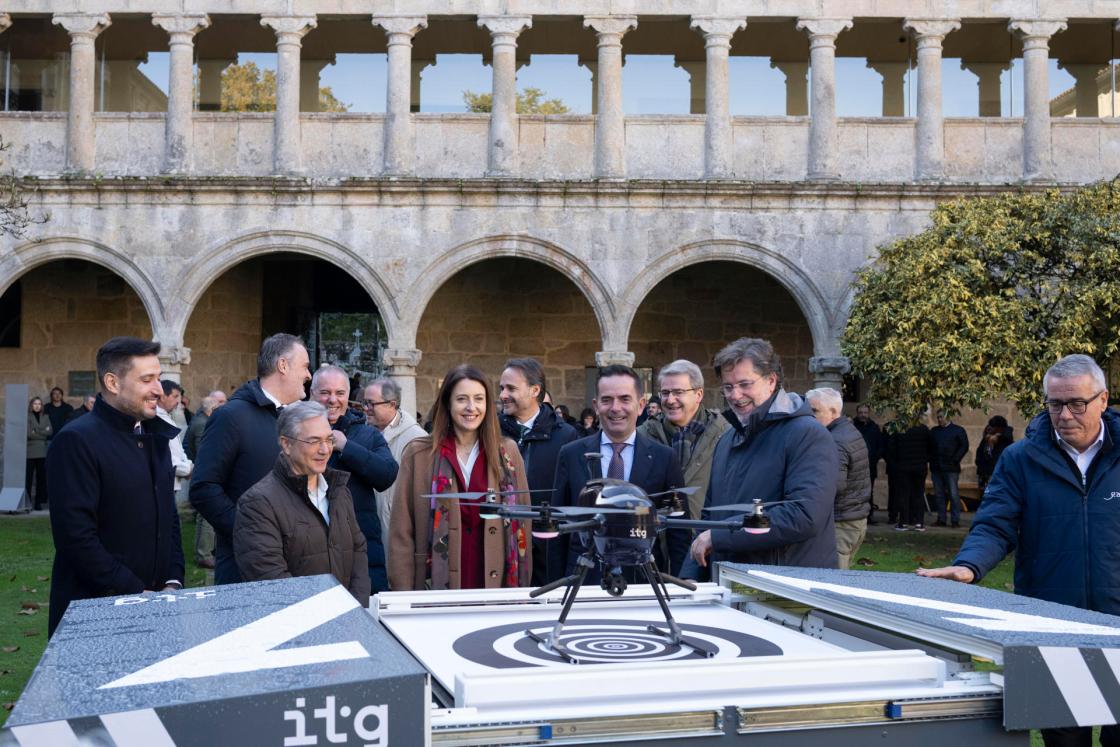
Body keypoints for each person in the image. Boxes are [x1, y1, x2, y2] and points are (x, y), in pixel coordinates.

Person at [918, 354, 1120, 747]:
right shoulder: (1021, 459)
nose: (1064, 415)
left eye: (1077, 403)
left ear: (1103, 400)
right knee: (1063, 737)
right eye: (1054, 403)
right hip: (1050, 623)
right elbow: (995, 524)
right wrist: (969, 566)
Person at [46, 337, 184, 636]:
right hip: (95, 617)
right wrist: (136, 591)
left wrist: (173, 579)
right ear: (112, 382)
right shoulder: (76, 441)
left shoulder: (155, 437)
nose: (159, 389)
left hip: (159, 611)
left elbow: (168, 516)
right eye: (147, 379)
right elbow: (76, 539)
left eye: (158, 378)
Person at [681, 338, 838, 580]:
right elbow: (710, 518)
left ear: (771, 380)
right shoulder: (727, 440)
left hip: (787, 589)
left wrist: (720, 536)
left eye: (745, 384)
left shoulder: (807, 434)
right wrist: (691, 577)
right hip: (732, 583)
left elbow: (803, 515)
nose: (735, 395)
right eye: (728, 387)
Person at [389, 364, 531, 590]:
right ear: (447, 403)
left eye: (479, 399)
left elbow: (524, 525)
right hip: (432, 589)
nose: (471, 407)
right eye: (462, 399)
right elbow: (401, 534)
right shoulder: (419, 455)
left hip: (496, 588)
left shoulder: (507, 453)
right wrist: (403, 596)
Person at [191, 333, 311, 585]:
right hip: (244, 568)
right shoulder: (231, 417)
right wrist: (248, 530)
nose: (308, 375)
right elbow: (204, 488)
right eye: (305, 367)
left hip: (293, 564)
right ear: (283, 366)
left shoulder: (293, 419)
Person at [554, 365, 688, 578]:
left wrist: (682, 584)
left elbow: (679, 532)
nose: (615, 408)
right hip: (583, 581)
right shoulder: (571, 454)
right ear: (596, 406)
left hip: (643, 580)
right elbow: (558, 523)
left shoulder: (665, 458)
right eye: (607, 400)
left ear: (641, 405)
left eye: (625, 399)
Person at [233, 401, 370, 605]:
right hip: (297, 629)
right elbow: (271, 581)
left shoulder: (339, 492)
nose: (325, 450)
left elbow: (358, 551)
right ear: (286, 444)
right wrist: (326, 618)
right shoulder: (258, 503)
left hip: (348, 621)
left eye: (329, 440)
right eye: (314, 441)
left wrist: (355, 608)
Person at [312, 365, 397, 593]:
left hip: (360, 551)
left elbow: (387, 474)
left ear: (348, 396)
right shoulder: (295, 431)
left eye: (339, 393)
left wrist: (347, 447)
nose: (332, 400)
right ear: (312, 394)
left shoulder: (367, 434)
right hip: (312, 550)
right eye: (325, 393)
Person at [498, 357, 579, 585]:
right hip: (502, 547)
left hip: (549, 550)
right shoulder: (491, 432)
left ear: (535, 390)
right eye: (502, 388)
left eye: (511, 388)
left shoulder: (566, 436)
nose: (503, 395)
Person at [639, 359, 730, 520]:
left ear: (698, 394)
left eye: (678, 392)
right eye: (665, 393)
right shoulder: (643, 436)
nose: (670, 399)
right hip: (657, 538)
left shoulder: (725, 435)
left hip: (707, 537)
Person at [363, 377, 427, 566]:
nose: (365, 408)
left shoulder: (417, 439)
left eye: (371, 403)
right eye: (364, 402)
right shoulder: (362, 431)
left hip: (395, 528)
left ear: (392, 404)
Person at [806, 388, 871, 569]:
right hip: (852, 519)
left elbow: (833, 486)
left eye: (815, 411)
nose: (809, 416)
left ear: (834, 412)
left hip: (842, 523)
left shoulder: (836, 439)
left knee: (833, 582)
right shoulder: (848, 430)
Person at [182, 392, 225, 568]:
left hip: (203, 473)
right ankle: (204, 554)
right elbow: (204, 452)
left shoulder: (202, 421)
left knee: (204, 516)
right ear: (212, 409)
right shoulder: (202, 423)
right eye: (220, 405)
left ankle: (206, 552)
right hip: (206, 474)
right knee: (207, 515)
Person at [929, 410, 969, 528]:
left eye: (941, 417)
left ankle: (955, 520)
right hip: (936, 467)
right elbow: (930, 447)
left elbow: (964, 446)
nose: (939, 419)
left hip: (951, 468)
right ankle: (941, 519)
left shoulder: (958, 430)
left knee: (953, 494)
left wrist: (955, 459)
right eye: (938, 417)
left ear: (948, 416)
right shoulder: (934, 431)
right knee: (939, 494)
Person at [892, 418, 932, 531]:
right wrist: (925, 459)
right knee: (918, 495)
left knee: (904, 495)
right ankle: (919, 522)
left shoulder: (900, 428)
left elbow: (893, 447)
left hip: (904, 466)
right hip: (920, 467)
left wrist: (897, 462)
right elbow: (931, 446)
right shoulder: (924, 429)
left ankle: (903, 522)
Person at [853, 404, 885, 524]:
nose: (863, 415)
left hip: (870, 466)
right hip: (855, 466)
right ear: (857, 413)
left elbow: (880, 446)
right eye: (861, 412)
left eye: (865, 412)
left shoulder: (874, 427)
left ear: (869, 413)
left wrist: (875, 458)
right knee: (855, 491)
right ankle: (856, 515)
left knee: (869, 491)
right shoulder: (853, 426)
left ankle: (869, 516)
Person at [975, 415, 1014, 493]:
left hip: (996, 474)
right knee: (983, 496)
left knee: (994, 496)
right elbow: (980, 452)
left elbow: (1008, 432)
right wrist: (978, 462)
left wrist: (997, 436)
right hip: (984, 473)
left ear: (999, 428)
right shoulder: (987, 437)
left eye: (992, 426)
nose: (989, 428)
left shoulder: (1005, 438)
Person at [26, 397, 52, 510]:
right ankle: (27, 502)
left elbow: (50, 431)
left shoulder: (46, 417)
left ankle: (38, 502)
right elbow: (28, 434)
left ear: (41, 406)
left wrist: (36, 430)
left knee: (41, 479)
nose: (37, 405)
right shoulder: (27, 417)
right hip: (30, 452)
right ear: (31, 405)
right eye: (35, 403)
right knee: (28, 478)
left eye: (39, 404)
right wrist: (43, 431)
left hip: (42, 452)